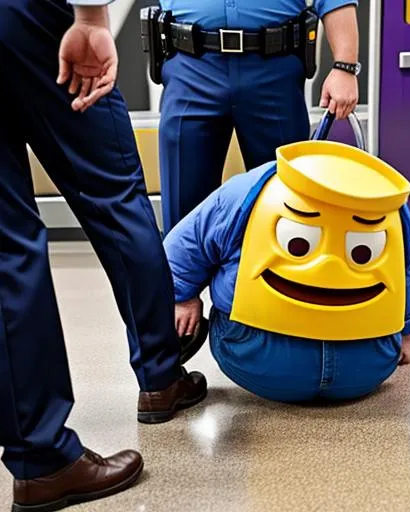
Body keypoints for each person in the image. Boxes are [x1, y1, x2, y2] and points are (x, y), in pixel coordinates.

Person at [0, 1, 206, 510]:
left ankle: (40, 458)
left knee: (5, 240)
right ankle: (160, 376)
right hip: (28, 17)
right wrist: (91, 16)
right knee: (113, 194)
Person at [164, 139, 410, 402]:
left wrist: (182, 297)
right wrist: (408, 332)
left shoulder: (248, 188)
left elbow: (186, 243)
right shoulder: (388, 204)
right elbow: (407, 268)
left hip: (253, 362)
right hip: (367, 369)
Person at [158, 0, 360, 234]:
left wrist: (345, 66)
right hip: (191, 66)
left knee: (288, 209)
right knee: (185, 216)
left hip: (274, 68)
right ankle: (184, 271)